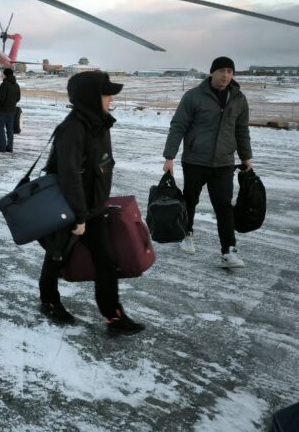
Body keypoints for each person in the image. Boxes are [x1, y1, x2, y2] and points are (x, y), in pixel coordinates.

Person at [38, 71, 145, 333]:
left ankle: (113, 314)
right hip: (71, 208)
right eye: (106, 93)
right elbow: (69, 175)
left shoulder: (98, 123)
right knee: (58, 255)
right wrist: (79, 216)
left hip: (93, 207)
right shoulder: (73, 128)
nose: (110, 99)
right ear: (90, 97)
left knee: (106, 259)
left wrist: (95, 206)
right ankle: (49, 300)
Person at [162, 56, 253, 268]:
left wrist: (246, 157)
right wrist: (169, 157)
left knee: (223, 206)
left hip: (223, 162)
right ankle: (187, 234)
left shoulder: (239, 99)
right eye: (221, 70)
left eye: (230, 71)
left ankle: (229, 251)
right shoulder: (193, 96)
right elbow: (178, 126)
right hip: (195, 160)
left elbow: (241, 130)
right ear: (212, 72)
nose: (225, 75)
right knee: (190, 200)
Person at [0, 68, 21, 153]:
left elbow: (1, 98)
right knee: (10, 130)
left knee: (0, 128)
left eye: (3, 74)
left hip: (3, 110)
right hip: (12, 110)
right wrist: (12, 103)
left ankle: (2, 147)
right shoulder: (16, 85)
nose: (2, 75)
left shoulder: (4, 84)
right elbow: (18, 98)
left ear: (6, 75)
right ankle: (10, 147)